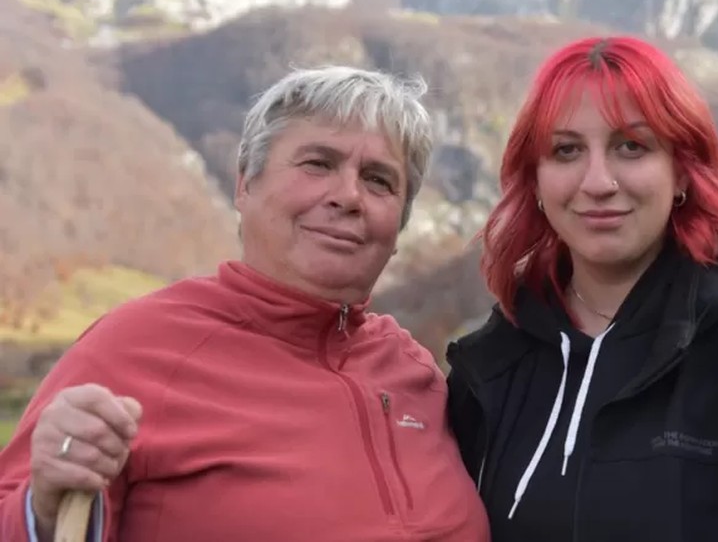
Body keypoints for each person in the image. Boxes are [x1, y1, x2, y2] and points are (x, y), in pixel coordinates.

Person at [0, 65, 490, 542]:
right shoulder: (137, 349)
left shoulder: (414, 371)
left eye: (380, 180)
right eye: (318, 163)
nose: (349, 195)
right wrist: (41, 507)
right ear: (245, 184)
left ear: (399, 223)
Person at [446, 36, 718, 541]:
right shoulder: (496, 364)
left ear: (682, 169)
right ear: (536, 181)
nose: (597, 181)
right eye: (566, 150)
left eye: (631, 146)